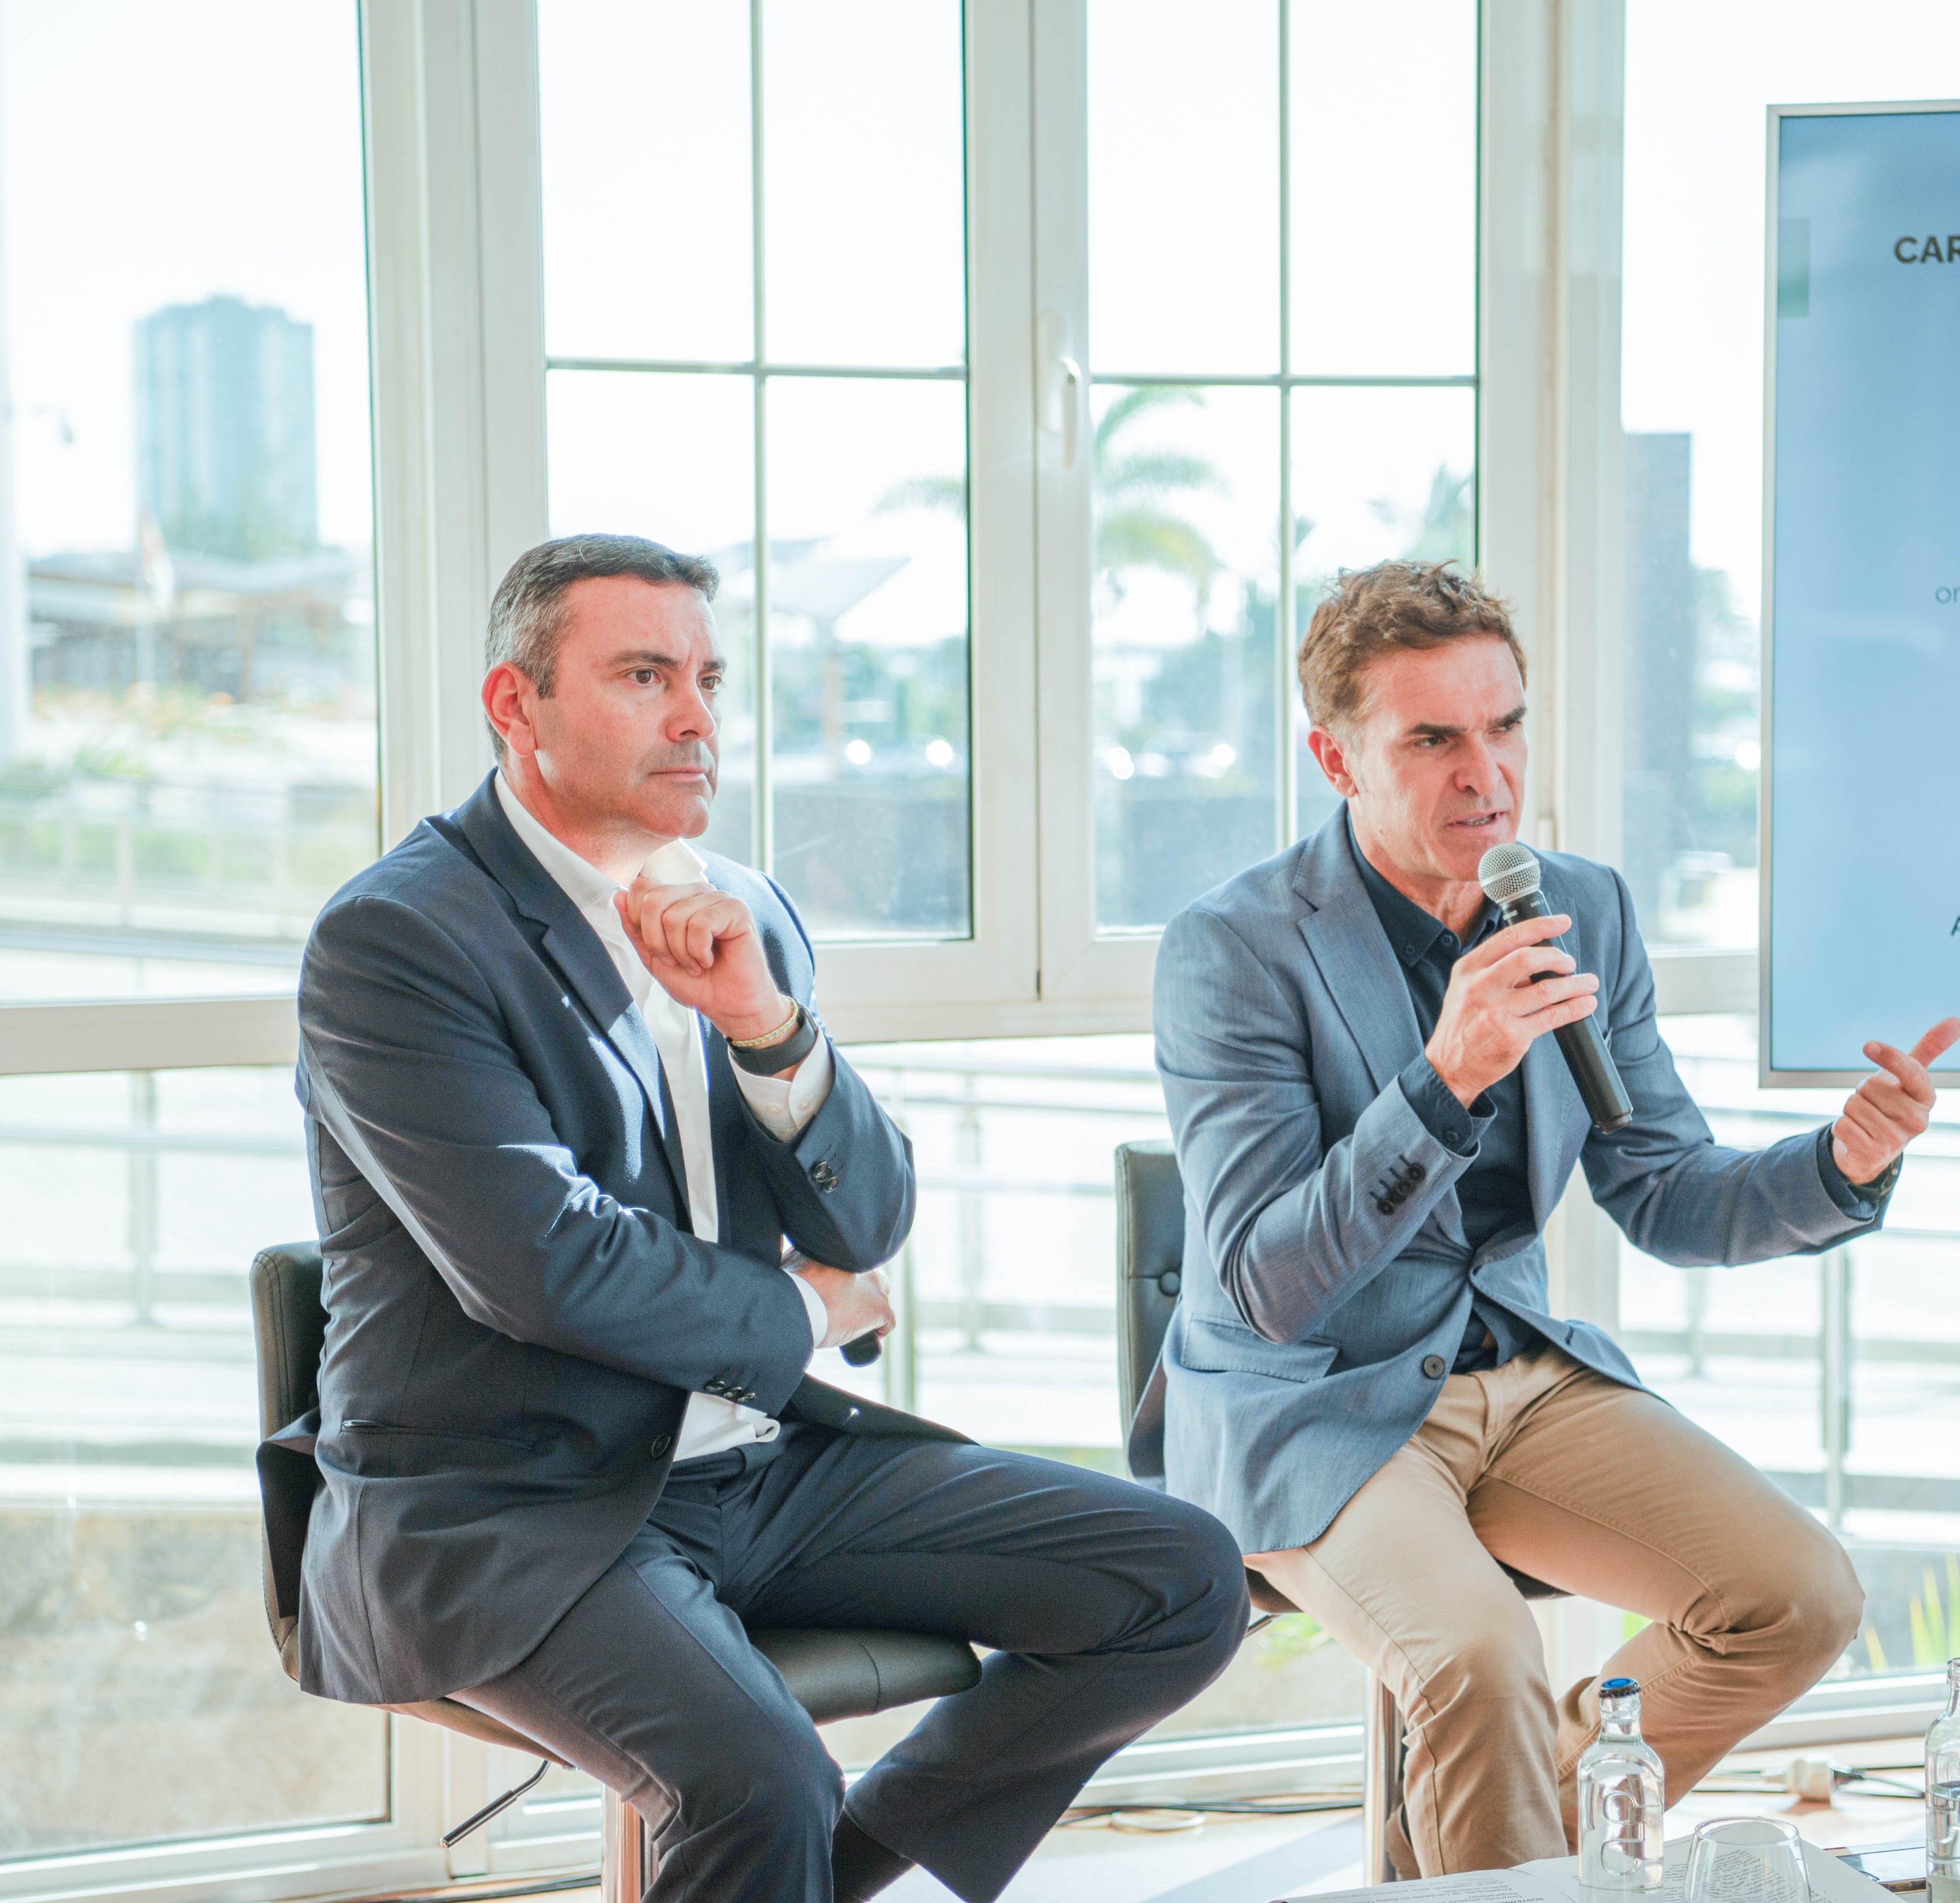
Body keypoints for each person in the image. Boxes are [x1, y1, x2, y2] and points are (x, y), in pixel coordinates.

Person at [285, 534, 1247, 1903]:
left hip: (760, 1466)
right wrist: (806, 1308)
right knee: (757, 1775)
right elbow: (542, 1266)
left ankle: (809, 1880)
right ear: (516, 705)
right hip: (512, 1499)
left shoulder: (740, 908)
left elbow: (877, 1208)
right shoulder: (399, 939)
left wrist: (766, 1025)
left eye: (708, 677)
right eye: (641, 674)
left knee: (1182, 1578)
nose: (695, 716)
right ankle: (772, 1860)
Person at [1135, 558, 1960, 1879]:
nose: (1490, 776)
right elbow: (1267, 1283)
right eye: (1434, 739)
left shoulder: (1580, 905)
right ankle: (1508, 1841)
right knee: (1478, 1658)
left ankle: (1506, 1835)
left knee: (1799, 1595)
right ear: (1333, 756)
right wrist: (1443, 1079)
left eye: (1507, 725)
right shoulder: (1232, 946)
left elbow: (1667, 1190)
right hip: (1308, 1397)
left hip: (1509, 1369)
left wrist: (1838, 1163)